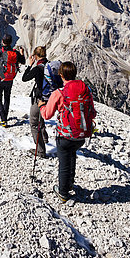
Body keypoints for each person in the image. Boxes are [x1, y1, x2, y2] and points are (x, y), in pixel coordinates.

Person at [39, 61, 96, 202]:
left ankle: (63, 192)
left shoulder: (59, 93)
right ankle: (69, 184)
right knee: (72, 157)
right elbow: (93, 113)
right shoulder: (86, 90)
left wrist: (41, 106)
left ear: (61, 75)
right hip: (82, 135)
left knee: (64, 162)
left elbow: (46, 115)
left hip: (65, 135)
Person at [0, 34, 25, 127]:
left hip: (0, 78)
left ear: (2, 41)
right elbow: (23, 61)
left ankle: (3, 119)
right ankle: (5, 118)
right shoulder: (15, 52)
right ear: (11, 42)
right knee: (7, 97)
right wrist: (22, 53)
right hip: (10, 79)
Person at [21, 46, 49, 158]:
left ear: (36, 56)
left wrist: (29, 65)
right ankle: (45, 139)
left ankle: (41, 151)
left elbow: (24, 78)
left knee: (33, 123)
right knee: (40, 119)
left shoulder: (38, 68)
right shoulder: (49, 65)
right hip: (50, 98)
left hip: (40, 99)